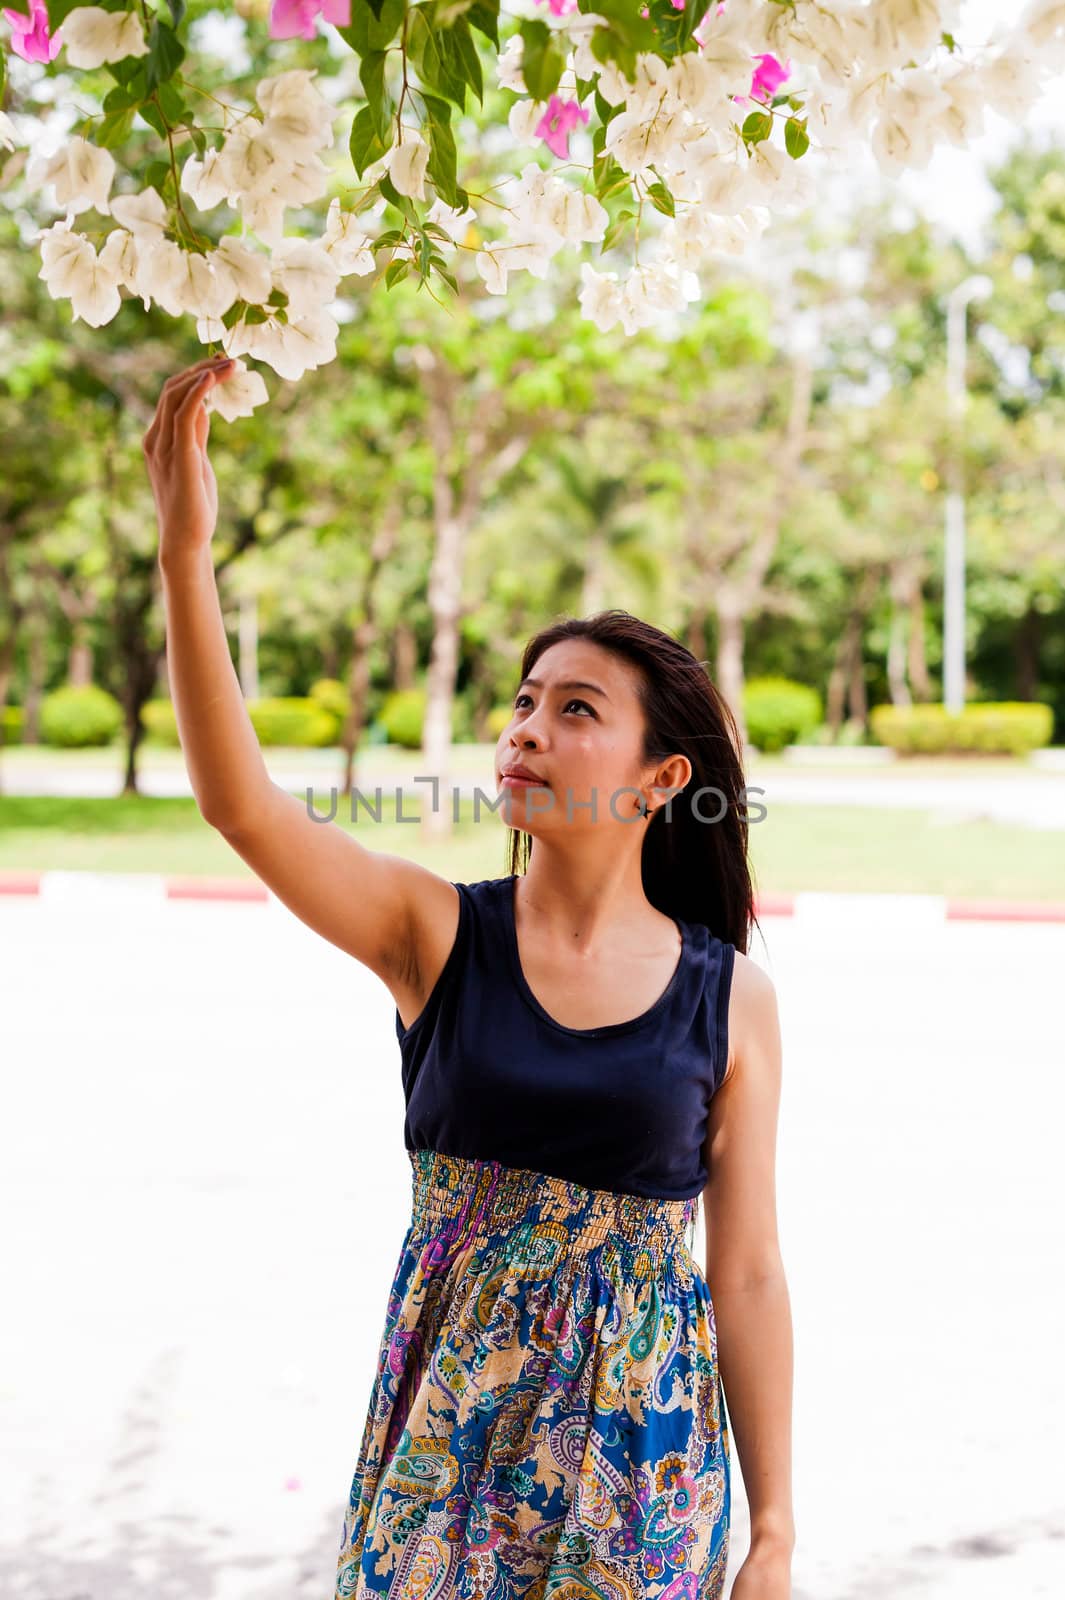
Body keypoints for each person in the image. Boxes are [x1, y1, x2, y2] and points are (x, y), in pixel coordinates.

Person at [144, 355, 795, 1600]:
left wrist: (773, 1528)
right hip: (442, 1458)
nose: (527, 730)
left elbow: (750, 1268)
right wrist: (187, 554)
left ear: (662, 779)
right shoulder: (432, 932)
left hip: (642, 1473)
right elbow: (242, 806)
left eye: (575, 710)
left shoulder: (731, 1000)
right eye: (523, 702)